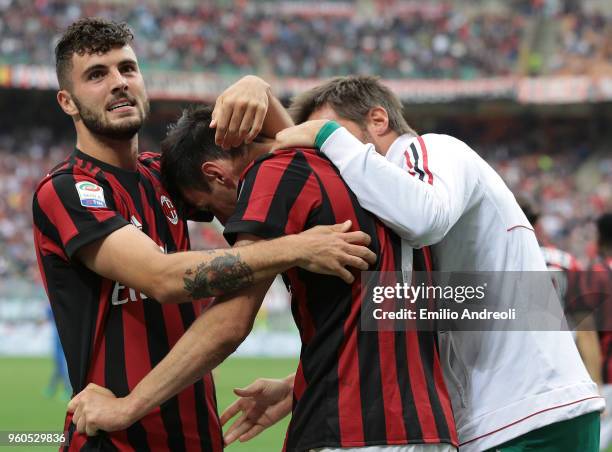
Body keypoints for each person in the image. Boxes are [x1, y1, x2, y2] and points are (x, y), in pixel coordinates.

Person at [33, 19, 376, 451]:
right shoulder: (65, 190)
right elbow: (163, 279)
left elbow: (285, 164)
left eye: (127, 69)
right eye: (97, 75)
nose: (119, 83)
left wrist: (259, 90)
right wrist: (296, 247)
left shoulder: (166, 176)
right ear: (67, 101)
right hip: (118, 439)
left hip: (200, 437)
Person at [222, 76, 604, 452]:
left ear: (378, 120)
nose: (328, 159)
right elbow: (459, 307)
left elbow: (427, 218)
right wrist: (296, 386)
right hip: (513, 413)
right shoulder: (393, 208)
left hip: (525, 413)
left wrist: (325, 135)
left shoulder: (433, 151)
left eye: (334, 132)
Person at [68, 104, 458, 452]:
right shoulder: (372, 172)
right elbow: (385, 311)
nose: (226, 223)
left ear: (217, 174)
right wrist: (295, 385)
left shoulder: (273, 175)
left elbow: (229, 323)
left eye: (210, 208)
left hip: (345, 429)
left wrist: (127, 407)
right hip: (433, 426)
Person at [517, 195, 602, 385]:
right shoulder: (566, 262)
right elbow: (585, 327)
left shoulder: (494, 264)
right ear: (538, 224)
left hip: (516, 376)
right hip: (564, 371)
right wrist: (596, 385)